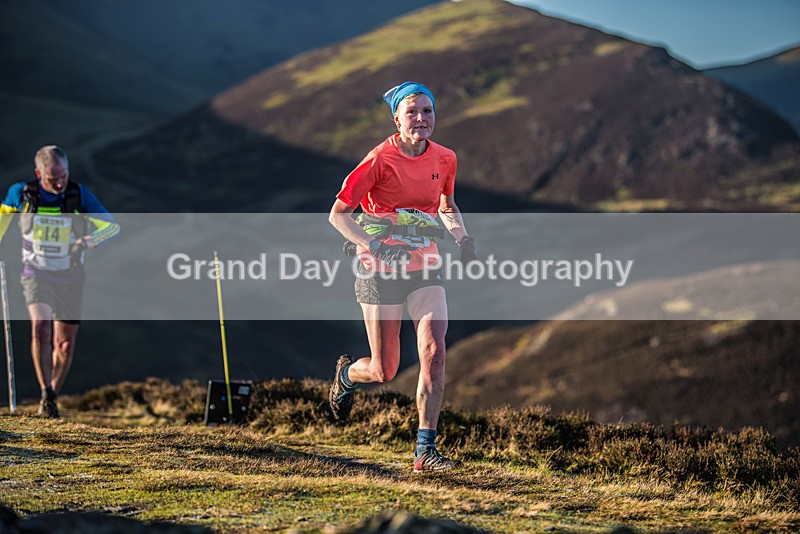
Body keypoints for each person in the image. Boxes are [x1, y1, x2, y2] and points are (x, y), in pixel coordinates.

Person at [328, 82, 478, 472]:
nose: (421, 119)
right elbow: (338, 214)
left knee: (435, 350)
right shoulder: (380, 158)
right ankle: (346, 375)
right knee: (384, 370)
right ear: (397, 118)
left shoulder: (445, 158)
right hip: (378, 267)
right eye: (412, 112)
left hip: (424, 265)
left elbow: (447, 205)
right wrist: (375, 247)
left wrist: (462, 239)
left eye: (428, 111)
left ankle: (424, 451)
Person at [0, 145, 120, 418]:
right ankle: (45, 392)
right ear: (38, 173)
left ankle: (53, 395)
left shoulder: (79, 195)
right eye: (53, 178)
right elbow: (2, 219)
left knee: (64, 344)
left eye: (63, 176)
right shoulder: (21, 193)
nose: (59, 183)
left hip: (71, 276)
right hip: (35, 273)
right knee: (40, 329)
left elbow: (111, 226)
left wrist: (89, 241)